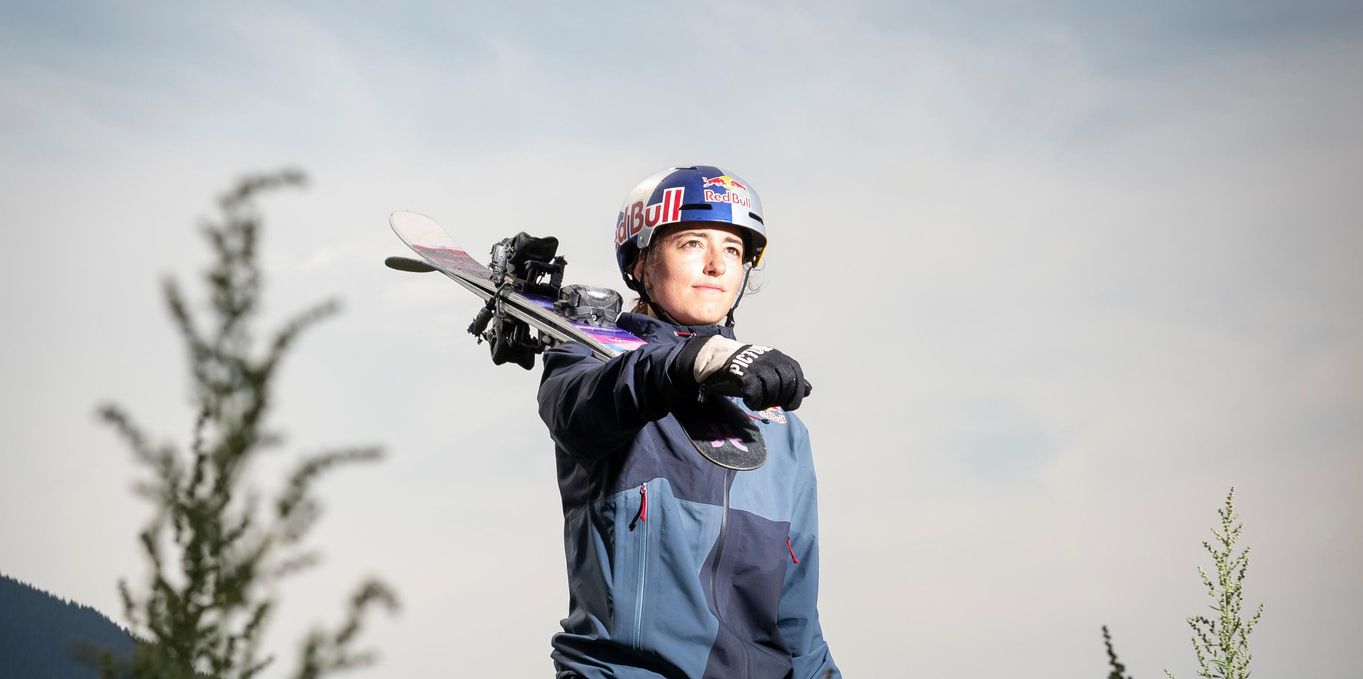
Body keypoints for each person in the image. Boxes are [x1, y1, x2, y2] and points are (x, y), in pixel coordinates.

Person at [537, 166, 840, 678]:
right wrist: (695, 360)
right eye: (692, 243)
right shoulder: (594, 365)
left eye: (734, 250)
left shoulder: (780, 428)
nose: (717, 266)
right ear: (640, 261)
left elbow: (798, 620)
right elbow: (579, 415)